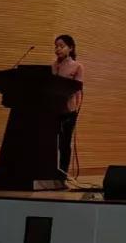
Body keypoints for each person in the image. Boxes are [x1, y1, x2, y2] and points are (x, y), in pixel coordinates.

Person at [51, 34, 84, 179]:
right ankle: (50, 172)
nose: (58, 49)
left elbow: (77, 87)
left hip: (68, 111)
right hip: (52, 110)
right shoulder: (53, 65)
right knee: (51, 143)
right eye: (56, 46)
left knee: (64, 144)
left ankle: (62, 175)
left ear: (70, 48)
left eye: (61, 46)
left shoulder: (77, 66)